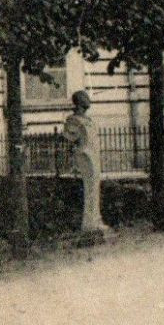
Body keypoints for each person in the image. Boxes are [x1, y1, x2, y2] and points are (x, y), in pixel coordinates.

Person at [61, 90, 109, 235]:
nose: (89, 99)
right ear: (79, 101)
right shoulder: (73, 121)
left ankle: (96, 219)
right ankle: (90, 223)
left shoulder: (87, 120)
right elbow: (68, 137)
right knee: (90, 189)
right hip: (85, 156)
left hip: (93, 156)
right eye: (86, 97)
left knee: (95, 188)